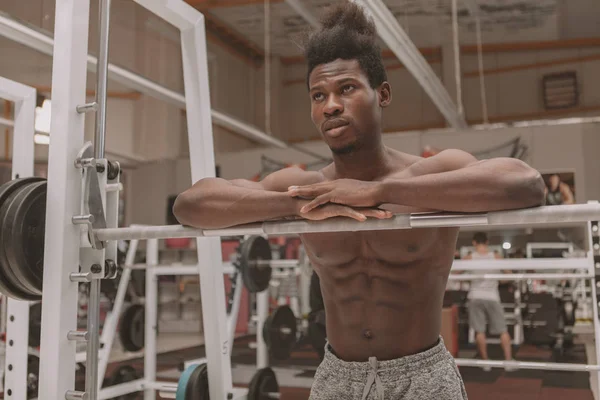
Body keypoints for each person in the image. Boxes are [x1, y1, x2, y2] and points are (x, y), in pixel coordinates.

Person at [173, 4, 545, 399]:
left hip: (422, 377)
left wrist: (381, 191)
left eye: (346, 89)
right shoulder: (303, 187)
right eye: (319, 95)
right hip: (337, 377)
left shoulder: (431, 174)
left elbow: (525, 183)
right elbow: (190, 205)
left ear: (382, 94)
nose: (331, 104)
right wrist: (293, 206)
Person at [463, 232, 515, 372]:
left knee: (479, 331)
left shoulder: (469, 258)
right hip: (492, 296)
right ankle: (508, 361)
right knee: (502, 330)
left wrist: (468, 279)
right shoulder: (496, 256)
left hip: (475, 296)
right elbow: (509, 275)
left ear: (474, 243)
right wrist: (498, 280)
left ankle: (486, 362)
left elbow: (453, 272)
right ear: (487, 242)